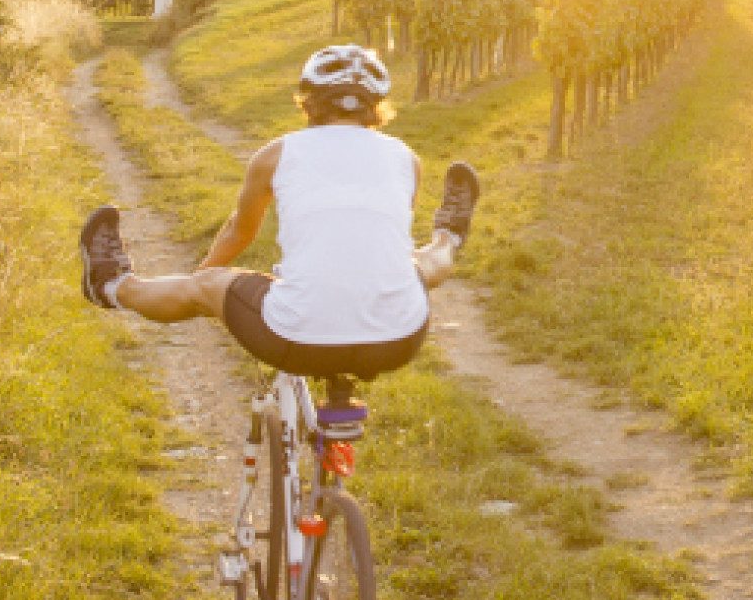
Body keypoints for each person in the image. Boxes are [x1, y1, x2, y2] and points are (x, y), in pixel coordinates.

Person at [76, 44, 478, 381]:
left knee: (208, 284)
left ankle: (111, 285)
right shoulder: (406, 159)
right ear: (377, 108)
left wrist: (199, 286)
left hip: (296, 340)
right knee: (421, 260)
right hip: (400, 340)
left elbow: (240, 233)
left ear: (308, 103)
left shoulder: (276, 155)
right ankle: (450, 235)